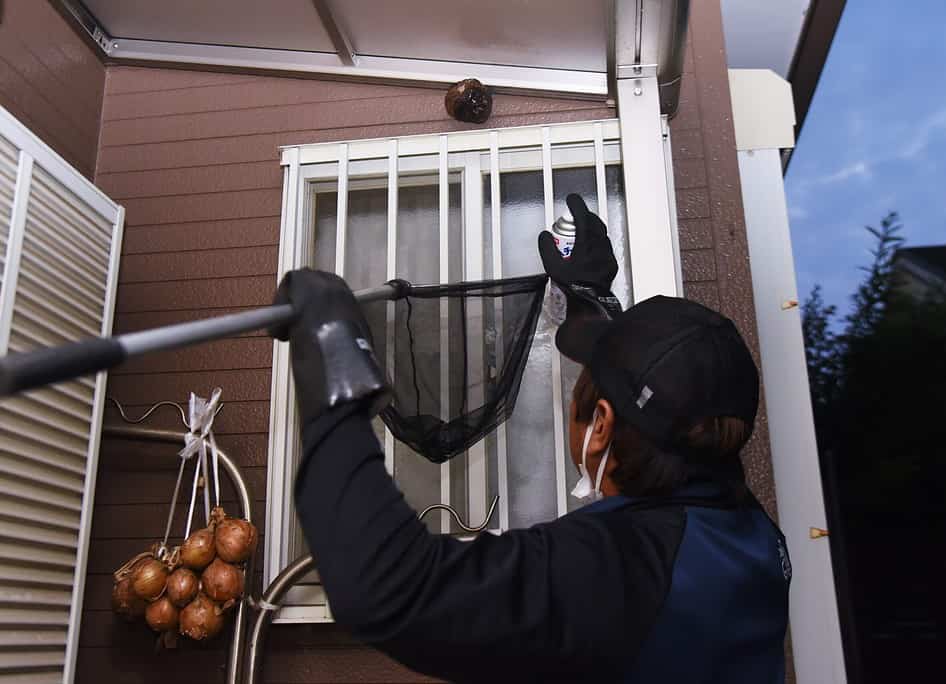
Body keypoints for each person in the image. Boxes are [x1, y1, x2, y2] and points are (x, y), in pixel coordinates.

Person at [270, 194, 791, 683]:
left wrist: (334, 363)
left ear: (603, 424)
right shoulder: (752, 539)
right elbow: (667, 401)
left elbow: (391, 587)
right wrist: (594, 301)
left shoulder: (620, 571)